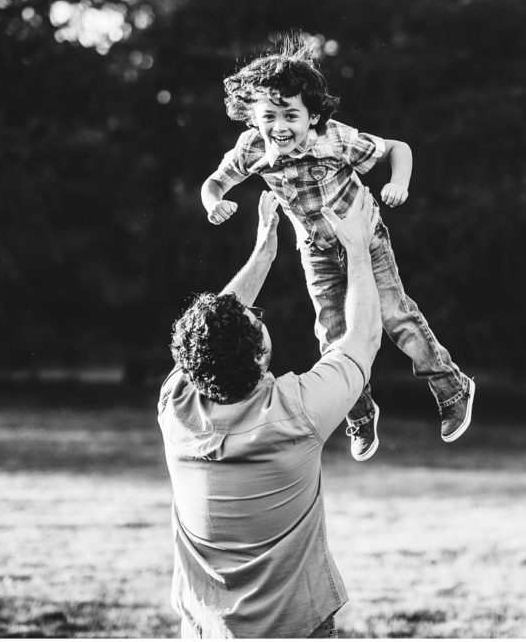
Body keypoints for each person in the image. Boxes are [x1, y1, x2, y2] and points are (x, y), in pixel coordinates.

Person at [200, 34, 474, 462]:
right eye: (269, 115)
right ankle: (360, 416)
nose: (280, 127)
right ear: (253, 117)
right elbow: (215, 181)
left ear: (312, 117)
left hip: (365, 238)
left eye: (291, 115)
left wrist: (397, 183)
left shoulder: (334, 139)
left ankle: (452, 387)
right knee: (332, 333)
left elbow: (397, 149)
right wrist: (214, 201)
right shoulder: (251, 148)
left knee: (394, 317)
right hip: (316, 249)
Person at [158, 190, 381, 638]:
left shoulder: (177, 406)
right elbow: (363, 338)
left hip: (206, 630)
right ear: (262, 356)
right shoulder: (296, 412)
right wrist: (357, 249)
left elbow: (207, 338)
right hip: (295, 626)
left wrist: (263, 252)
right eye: (257, 318)